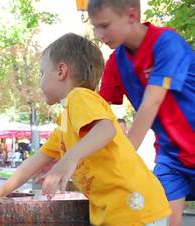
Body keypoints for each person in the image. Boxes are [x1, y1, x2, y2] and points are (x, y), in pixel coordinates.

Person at [0, 33, 171, 225]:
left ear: (61, 71)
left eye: (42, 73)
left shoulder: (80, 96)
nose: (40, 82)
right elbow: (34, 162)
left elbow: (107, 129)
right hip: (120, 210)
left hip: (134, 206)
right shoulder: (66, 123)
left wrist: (68, 160)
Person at [88, 1, 195, 225]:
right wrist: (68, 152)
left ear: (131, 15)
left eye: (105, 25)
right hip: (171, 160)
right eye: (95, 27)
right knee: (162, 221)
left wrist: (123, 162)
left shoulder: (167, 43)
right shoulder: (116, 63)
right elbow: (96, 112)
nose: (99, 34)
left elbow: (152, 103)